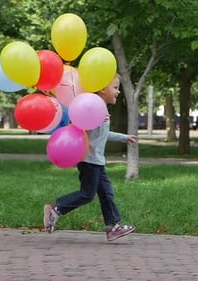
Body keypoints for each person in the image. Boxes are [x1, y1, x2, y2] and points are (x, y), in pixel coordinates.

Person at [43, 74, 138, 242]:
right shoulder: (89, 107)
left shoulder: (100, 109)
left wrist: (124, 137)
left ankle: (112, 227)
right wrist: (94, 119)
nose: (118, 92)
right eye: (115, 88)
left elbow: (103, 133)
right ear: (102, 89)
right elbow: (80, 127)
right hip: (88, 160)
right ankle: (56, 208)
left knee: (107, 193)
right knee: (87, 194)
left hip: (97, 161)